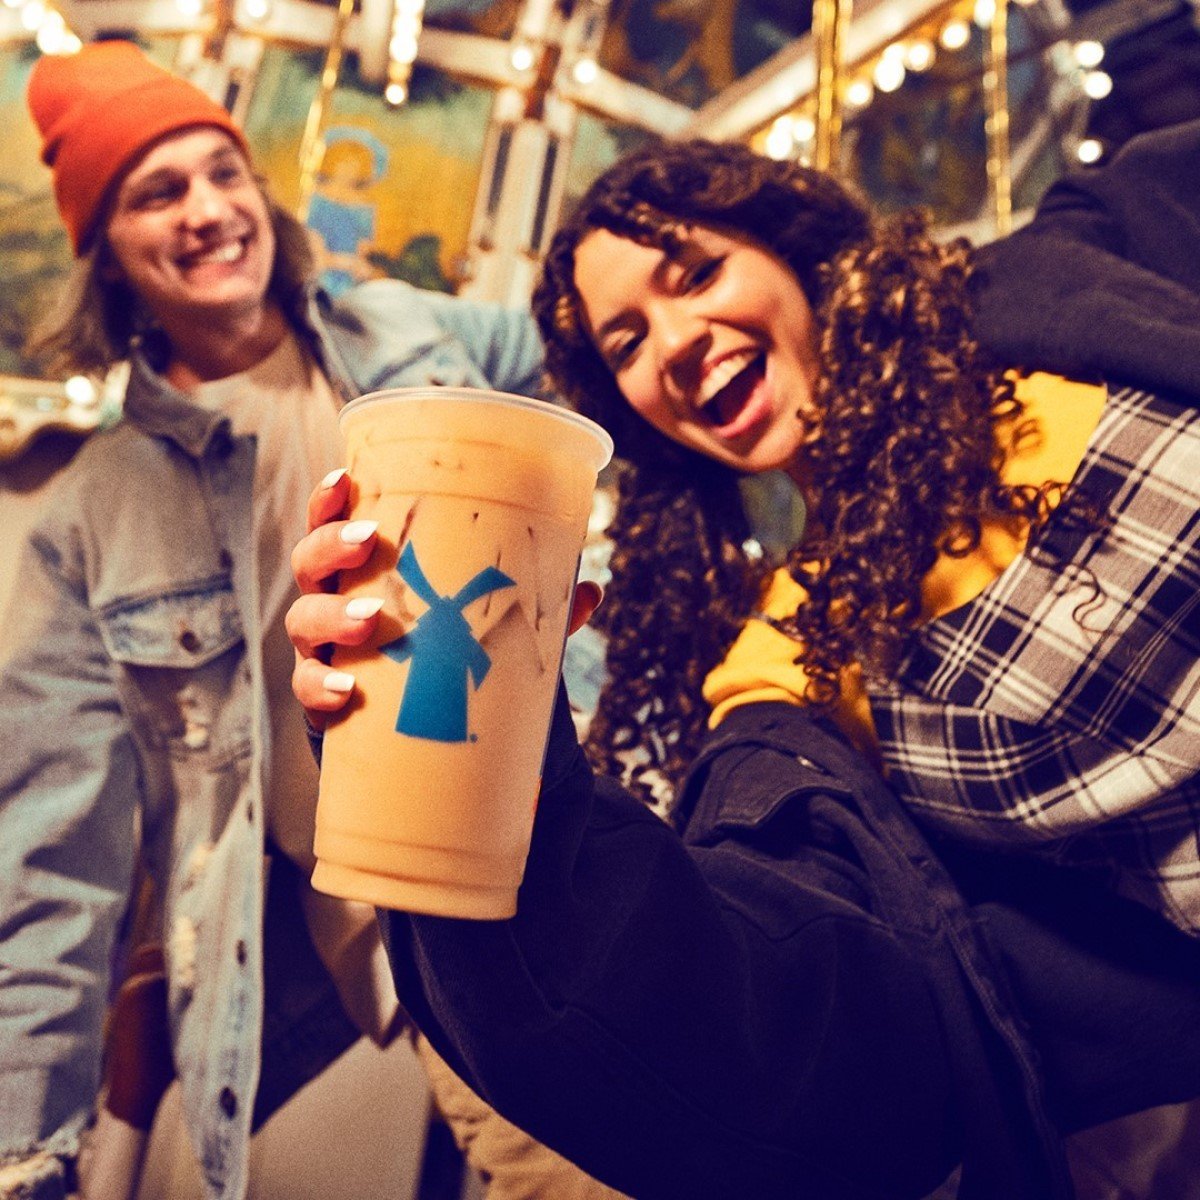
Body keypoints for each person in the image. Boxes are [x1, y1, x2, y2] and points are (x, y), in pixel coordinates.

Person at [286, 126, 1200, 1199]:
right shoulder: (782, 654)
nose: (670, 342)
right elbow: (773, 1008)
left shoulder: (1067, 285)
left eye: (697, 274)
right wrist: (484, 775)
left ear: (790, 249)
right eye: (624, 344)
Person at [0, 38, 576, 1200]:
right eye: (158, 193)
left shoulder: (416, 334)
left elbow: (588, 363)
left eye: (223, 171)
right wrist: (24, 1150)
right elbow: (53, 856)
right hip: (339, 917)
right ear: (103, 254)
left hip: (538, 840)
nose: (212, 210)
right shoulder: (90, 510)